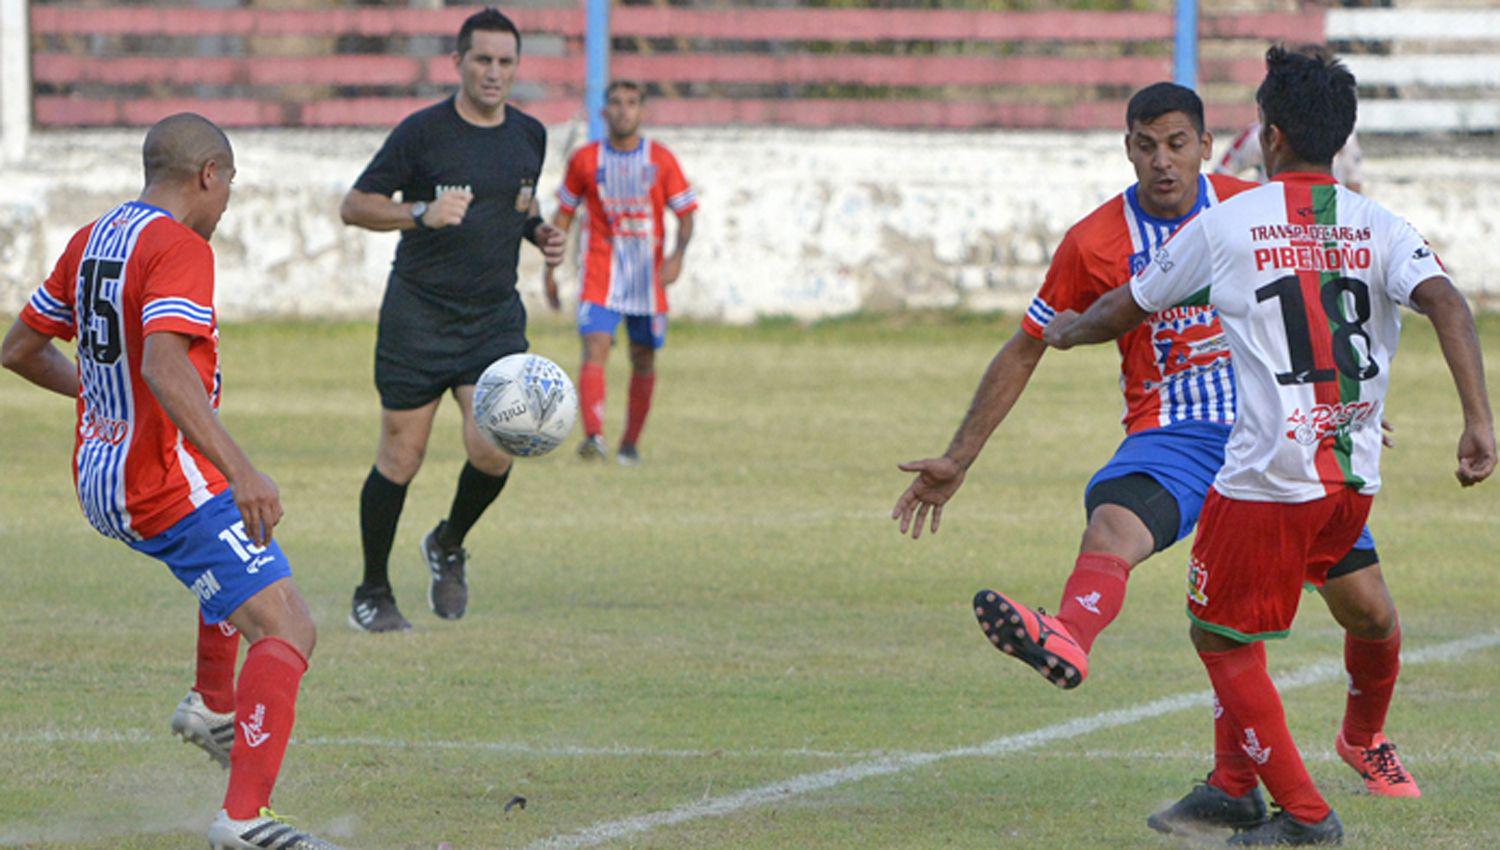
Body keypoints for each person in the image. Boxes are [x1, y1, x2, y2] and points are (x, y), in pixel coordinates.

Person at [892, 81, 1421, 834]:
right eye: (1145, 146)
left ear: (1208, 146)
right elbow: (1029, 343)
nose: (1161, 162)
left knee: (1369, 615)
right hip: (1173, 431)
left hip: (1275, 436)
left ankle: (1361, 740)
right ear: (1128, 148)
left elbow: (1327, 304)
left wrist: (1348, 403)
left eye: (1177, 143)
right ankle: (1069, 635)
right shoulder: (1094, 241)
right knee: (1114, 528)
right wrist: (960, 456)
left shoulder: (1255, 208)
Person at [1043, 45, 1494, 845]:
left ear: (1271, 135)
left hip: (1265, 476)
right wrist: (1478, 422)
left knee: (1218, 636)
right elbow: (1449, 306)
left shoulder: (1227, 225)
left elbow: (1126, 307)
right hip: (1352, 476)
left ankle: (1306, 815)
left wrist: (1068, 331)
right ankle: (1232, 789)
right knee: (1268, 621)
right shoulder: (1380, 225)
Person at [1, 113, 344, 850]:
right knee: (290, 625)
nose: (226, 208)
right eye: (229, 190)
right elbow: (162, 367)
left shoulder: (94, 237)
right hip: (155, 481)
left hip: (101, 472)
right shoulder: (179, 247)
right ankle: (244, 821)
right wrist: (242, 467)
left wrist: (101, 397)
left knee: (235, 555)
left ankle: (212, 704)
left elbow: (20, 349)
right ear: (208, 176)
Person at [339, 7, 565, 631]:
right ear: (458, 62)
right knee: (401, 457)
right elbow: (355, 206)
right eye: (483, 60)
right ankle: (374, 590)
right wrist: (420, 213)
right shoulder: (422, 134)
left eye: (505, 62)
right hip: (419, 317)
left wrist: (540, 233)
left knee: (497, 448)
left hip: (492, 319)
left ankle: (448, 542)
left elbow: (517, 203)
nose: (494, 73)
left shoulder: (530, 135)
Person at [543, 79, 697, 466]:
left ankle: (629, 444)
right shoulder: (585, 160)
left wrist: (677, 255)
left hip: (648, 277)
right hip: (601, 270)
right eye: (616, 103)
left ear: (643, 112)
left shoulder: (661, 160)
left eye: (632, 103)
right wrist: (550, 268)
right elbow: (563, 214)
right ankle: (594, 436)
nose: (624, 110)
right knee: (595, 345)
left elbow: (686, 213)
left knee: (643, 357)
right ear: (603, 112)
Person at [1217, 120, 1363, 193]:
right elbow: (1221, 175)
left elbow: (1354, 185)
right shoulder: (1258, 136)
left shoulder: (1344, 135)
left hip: (1327, 226)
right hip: (1270, 227)